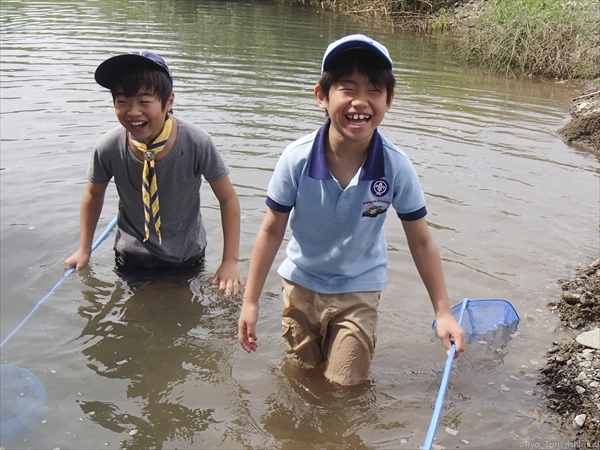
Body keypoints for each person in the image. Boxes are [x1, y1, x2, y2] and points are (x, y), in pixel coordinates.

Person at [238, 34, 465, 385]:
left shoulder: (395, 166)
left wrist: (443, 312)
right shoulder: (296, 158)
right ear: (321, 96)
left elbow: (421, 241)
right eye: (347, 88)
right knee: (301, 378)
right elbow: (271, 229)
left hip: (359, 289)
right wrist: (250, 302)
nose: (360, 102)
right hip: (299, 286)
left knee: (345, 387)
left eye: (374, 90)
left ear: (389, 99)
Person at [65, 51, 243, 295]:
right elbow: (93, 194)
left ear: (169, 101)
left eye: (144, 101)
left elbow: (228, 199)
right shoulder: (108, 147)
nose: (133, 111)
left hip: (186, 255)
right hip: (132, 257)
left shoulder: (197, 143)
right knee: (135, 319)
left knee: (184, 316)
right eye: (122, 101)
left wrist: (230, 261)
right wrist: (84, 249)